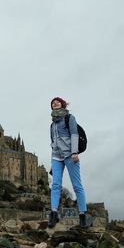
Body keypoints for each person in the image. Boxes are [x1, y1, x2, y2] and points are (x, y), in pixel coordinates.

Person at [48, 97, 87, 228]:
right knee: (55, 185)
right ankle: (53, 214)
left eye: (57, 101)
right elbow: (53, 143)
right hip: (56, 157)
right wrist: (53, 164)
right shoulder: (52, 125)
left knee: (77, 185)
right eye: (53, 103)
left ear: (62, 104)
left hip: (70, 155)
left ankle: (82, 215)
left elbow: (74, 134)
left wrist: (75, 152)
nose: (55, 103)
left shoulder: (69, 117)